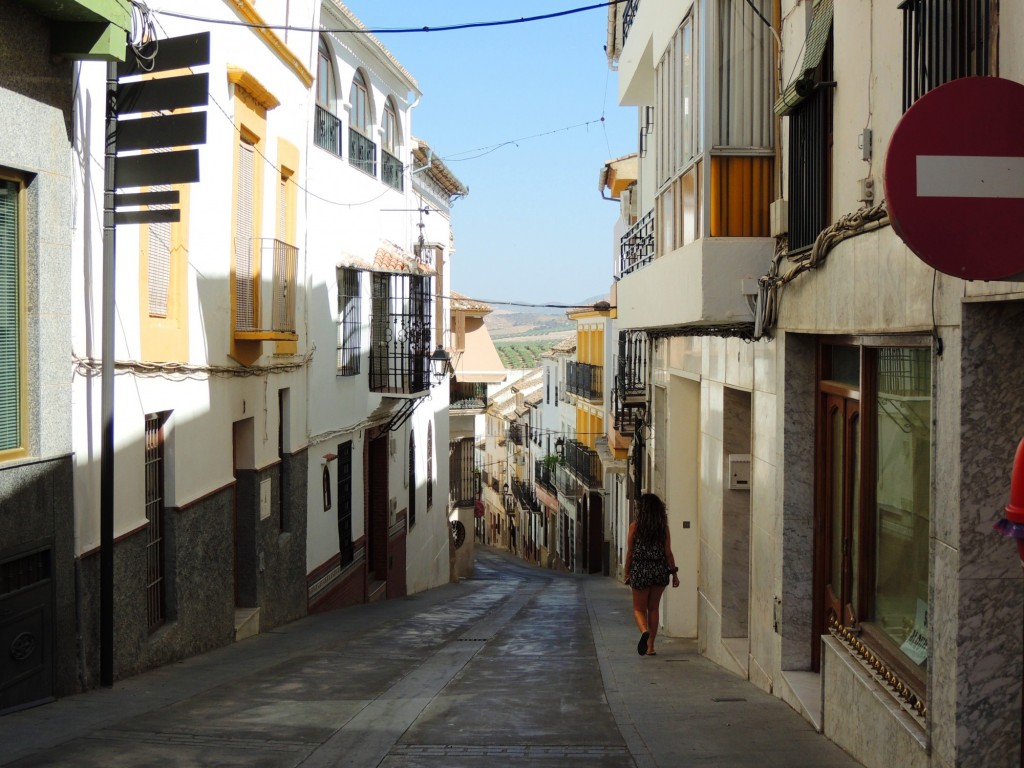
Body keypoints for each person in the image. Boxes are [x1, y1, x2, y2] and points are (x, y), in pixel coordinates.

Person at [623, 493, 679, 656]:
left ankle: (643, 631)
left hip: (640, 570)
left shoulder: (635, 526)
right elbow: (668, 553)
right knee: (653, 608)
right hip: (659, 571)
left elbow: (630, 553)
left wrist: (627, 573)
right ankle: (651, 647)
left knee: (639, 609)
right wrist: (674, 574)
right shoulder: (663, 528)